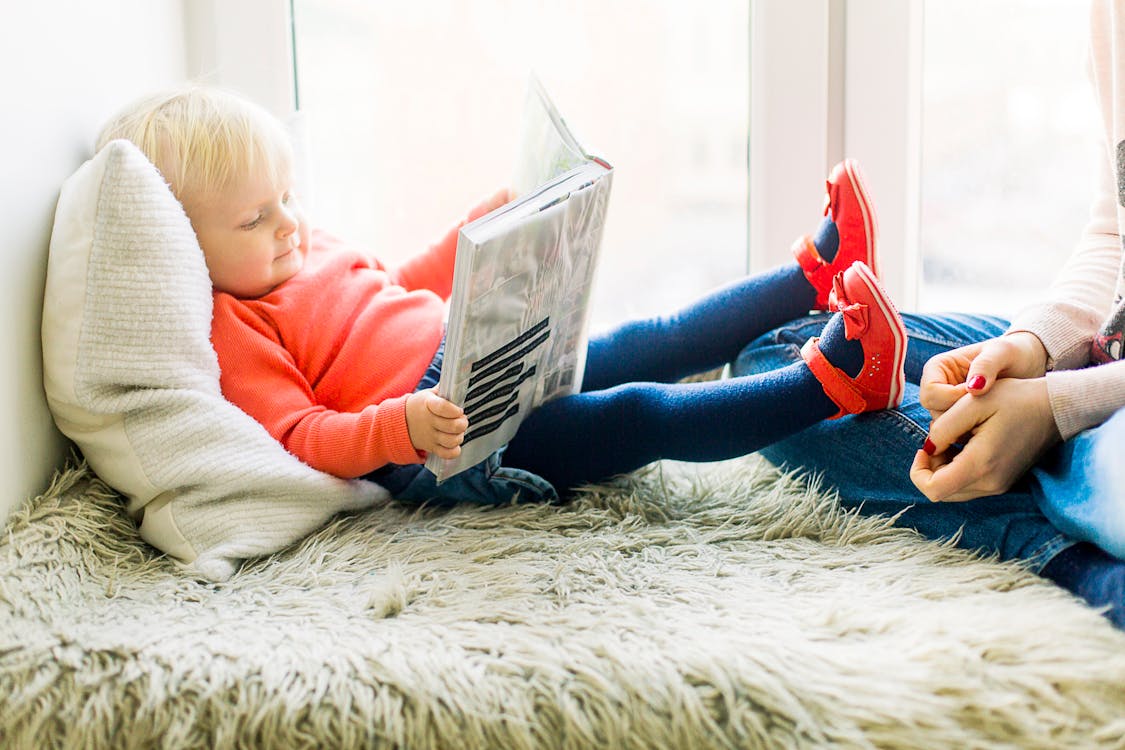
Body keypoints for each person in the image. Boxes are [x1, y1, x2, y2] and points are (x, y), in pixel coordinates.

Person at [95, 85, 906, 511]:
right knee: (639, 413)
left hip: (485, 352)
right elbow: (304, 437)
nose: (288, 224)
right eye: (254, 217)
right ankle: (832, 381)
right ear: (187, 246)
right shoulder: (233, 327)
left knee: (648, 335)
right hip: (454, 441)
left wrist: (480, 230)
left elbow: (397, 284)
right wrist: (398, 428)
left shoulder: (306, 248)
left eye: (286, 196)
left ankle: (811, 274)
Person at [734, 0, 1125, 629]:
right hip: (1108, 348)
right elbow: (1114, 231)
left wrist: (1055, 410)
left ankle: (1061, 552)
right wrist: (1032, 348)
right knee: (785, 364)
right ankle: (1048, 490)